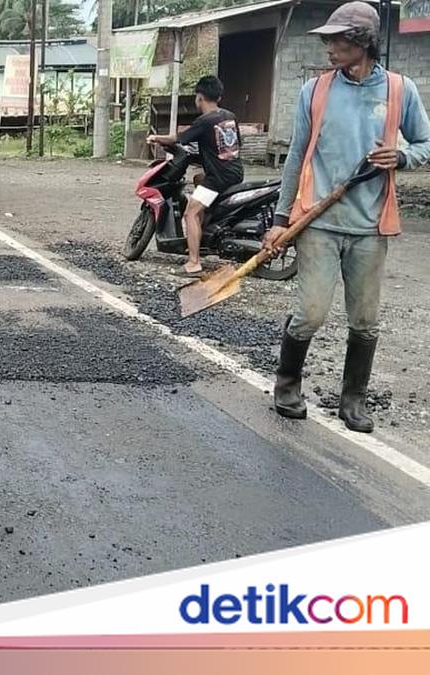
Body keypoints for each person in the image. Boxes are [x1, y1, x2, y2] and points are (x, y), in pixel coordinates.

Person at [263, 2, 430, 433]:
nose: (329, 47)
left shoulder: (399, 90)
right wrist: (281, 218)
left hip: (370, 226)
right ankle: (287, 385)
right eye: (328, 39)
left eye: (337, 39)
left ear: (363, 42)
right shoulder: (314, 91)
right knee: (312, 312)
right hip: (316, 221)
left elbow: (426, 143)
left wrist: (404, 156)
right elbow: (297, 156)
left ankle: (353, 399)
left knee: (365, 318)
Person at [147, 75, 244, 276]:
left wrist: (157, 137)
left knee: (190, 213)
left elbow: (177, 139)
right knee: (198, 179)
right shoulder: (229, 116)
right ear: (218, 96)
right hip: (235, 172)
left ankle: (194, 262)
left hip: (218, 178)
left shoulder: (205, 121)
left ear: (199, 97)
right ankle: (207, 228)